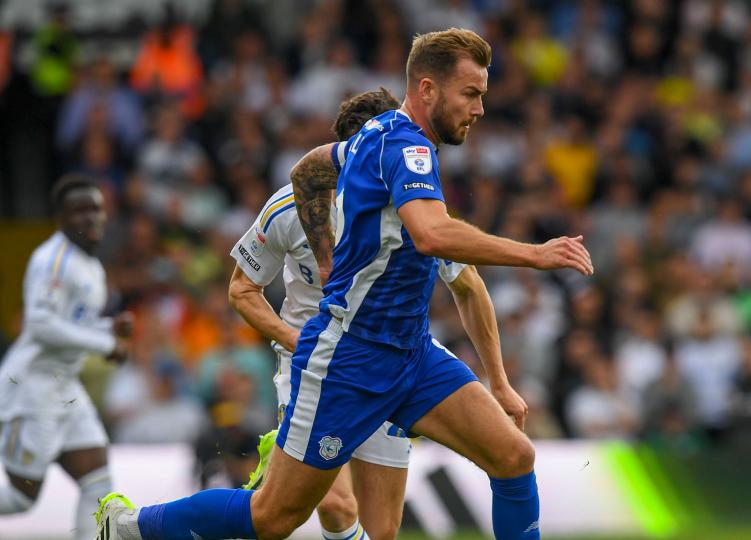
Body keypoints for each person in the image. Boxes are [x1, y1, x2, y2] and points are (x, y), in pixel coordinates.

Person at [96, 27, 592, 540]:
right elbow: (430, 234)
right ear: (427, 89)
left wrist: (329, 256)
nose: (480, 109)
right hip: (348, 360)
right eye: (471, 94)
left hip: (413, 354)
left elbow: (308, 168)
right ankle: (133, 528)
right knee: (272, 518)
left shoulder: (372, 140)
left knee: (513, 457)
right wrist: (534, 254)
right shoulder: (406, 150)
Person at [228, 87, 503, 540]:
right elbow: (242, 290)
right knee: (335, 506)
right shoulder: (288, 207)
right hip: (315, 363)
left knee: (382, 531)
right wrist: (296, 341)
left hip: (385, 361)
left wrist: (500, 381)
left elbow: (468, 285)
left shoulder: (415, 208)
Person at [0, 175, 133, 540]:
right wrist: (105, 345)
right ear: (60, 218)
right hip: (32, 388)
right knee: (21, 498)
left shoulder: (90, 264)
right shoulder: (52, 260)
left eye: (96, 209)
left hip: (64, 386)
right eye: (79, 211)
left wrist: (108, 328)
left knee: (98, 481)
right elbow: (41, 324)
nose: (91, 218)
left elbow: (73, 322)